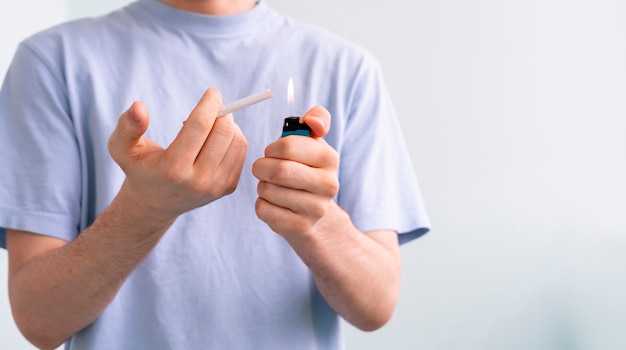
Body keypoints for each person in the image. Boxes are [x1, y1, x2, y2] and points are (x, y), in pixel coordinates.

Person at [0, 0, 430, 349]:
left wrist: (316, 223)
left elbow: (376, 305)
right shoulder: (51, 62)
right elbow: (39, 321)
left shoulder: (348, 68)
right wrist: (145, 209)